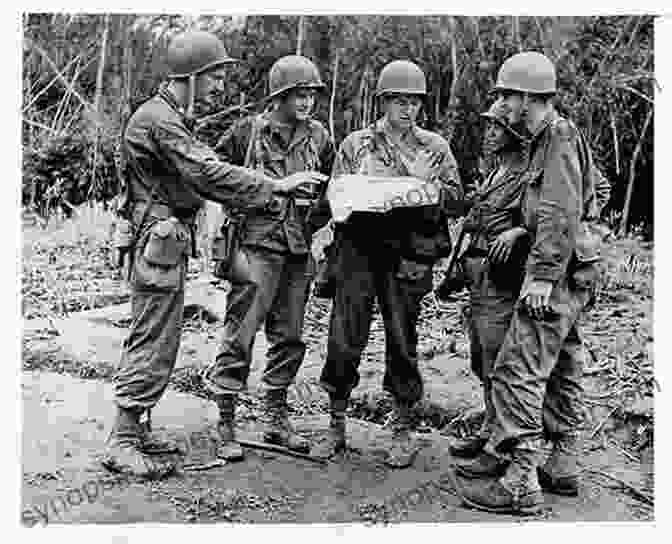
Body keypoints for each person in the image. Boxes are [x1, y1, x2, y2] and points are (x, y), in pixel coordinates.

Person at [103, 31, 321, 479]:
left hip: (167, 237)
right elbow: (206, 171)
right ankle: (123, 438)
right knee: (154, 336)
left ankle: (137, 428)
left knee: (161, 335)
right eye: (215, 77)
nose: (220, 87)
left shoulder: (168, 116)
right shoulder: (161, 119)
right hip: (160, 238)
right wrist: (273, 186)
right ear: (194, 75)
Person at [456, 51, 608, 515]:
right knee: (562, 363)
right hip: (574, 268)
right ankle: (562, 463)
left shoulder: (557, 136)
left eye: (505, 94)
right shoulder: (547, 138)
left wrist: (541, 276)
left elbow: (561, 210)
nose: (501, 103)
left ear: (527, 96)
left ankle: (519, 480)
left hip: (556, 275)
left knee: (518, 367)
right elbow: (581, 197)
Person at [312, 60, 463, 467]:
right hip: (358, 248)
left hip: (408, 251)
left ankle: (402, 426)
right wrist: (399, 183)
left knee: (402, 339)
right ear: (383, 101)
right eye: (398, 100)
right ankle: (336, 424)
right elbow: (336, 198)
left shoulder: (435, 148)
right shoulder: (355, 144)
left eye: (413, 101)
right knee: (344, 336)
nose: (406, 108)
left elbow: (455, 200)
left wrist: (422, 183)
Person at [200, 55, 334, 459]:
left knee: (290, 337)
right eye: (299, 93)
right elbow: (212, 177)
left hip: (297, 248)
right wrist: (272, 188)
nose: (308, 101)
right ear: (279, 96)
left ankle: (275, 416)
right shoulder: (247, 133)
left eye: (312, 94)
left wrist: (317, 215)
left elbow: (331, 189)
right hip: (254, 246)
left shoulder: (320, 137)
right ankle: (225, 420)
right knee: (240, 334)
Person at [447, 101, 531, 459]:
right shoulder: (496, 171)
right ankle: (488, 428)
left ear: (514, 133)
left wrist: (518, 231)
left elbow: (556, 213)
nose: (489, 134)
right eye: (489, 127)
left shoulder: (530, 173)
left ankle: (503, 441)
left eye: (496, 128)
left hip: (503, 278)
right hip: (477, 273)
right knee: (481, 357)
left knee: (499, 358)